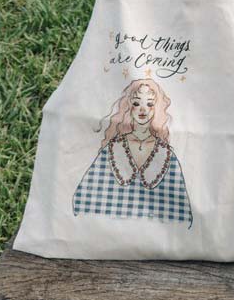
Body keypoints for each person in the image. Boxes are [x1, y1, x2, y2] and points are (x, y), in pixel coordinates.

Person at [73, 78, 192, 224]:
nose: (143, 109)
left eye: (150, 104)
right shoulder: (113, 148)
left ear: (157, 108)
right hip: (107, 229)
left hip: (154, 233)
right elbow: (82, 198)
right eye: (136, 103)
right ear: (128, 106)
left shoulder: (166, 154)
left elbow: (183, 212)